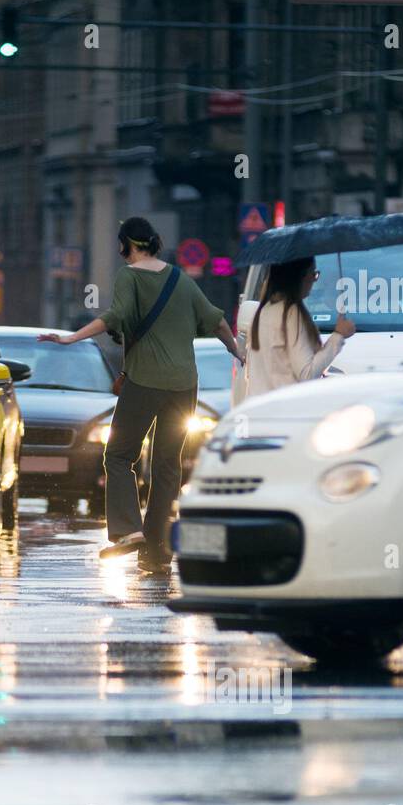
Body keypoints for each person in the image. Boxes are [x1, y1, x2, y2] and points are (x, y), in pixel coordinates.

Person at [39, 217, 241, 572]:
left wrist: (72, 338)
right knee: (167, 464)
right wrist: (238, 352)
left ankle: (129, 530)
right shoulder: (181, 279)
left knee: (119, 456)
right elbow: (217, 321)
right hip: (184, 385)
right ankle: (158, 551)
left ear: (126, 244)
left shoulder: (130, 276)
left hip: (145, 382)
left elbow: (114, 317)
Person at [242, 255, 355, 399]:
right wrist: (338, 336)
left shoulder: (263, 312)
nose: (315, 279)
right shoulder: (290, 314)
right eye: (313, 273)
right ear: (299, 276)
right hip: (286, 412)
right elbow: (306, 375)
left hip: (260, 411)